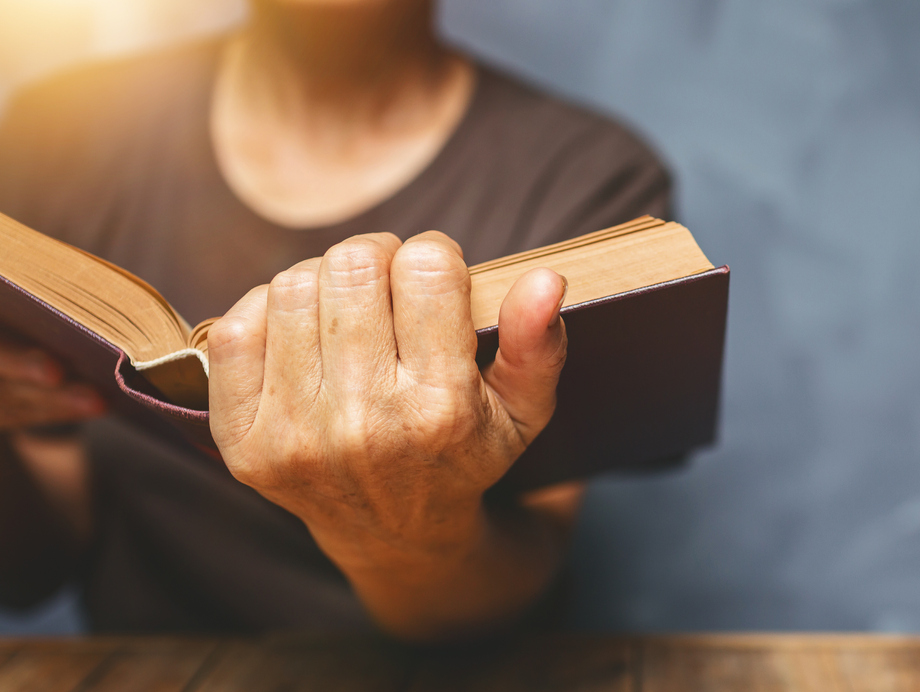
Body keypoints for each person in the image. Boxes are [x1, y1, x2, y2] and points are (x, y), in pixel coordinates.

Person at [0, 0, 670, 639]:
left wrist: (389, 525)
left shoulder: (589, 180)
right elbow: (34, 572)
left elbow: (515, 588)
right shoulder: (59, 131)